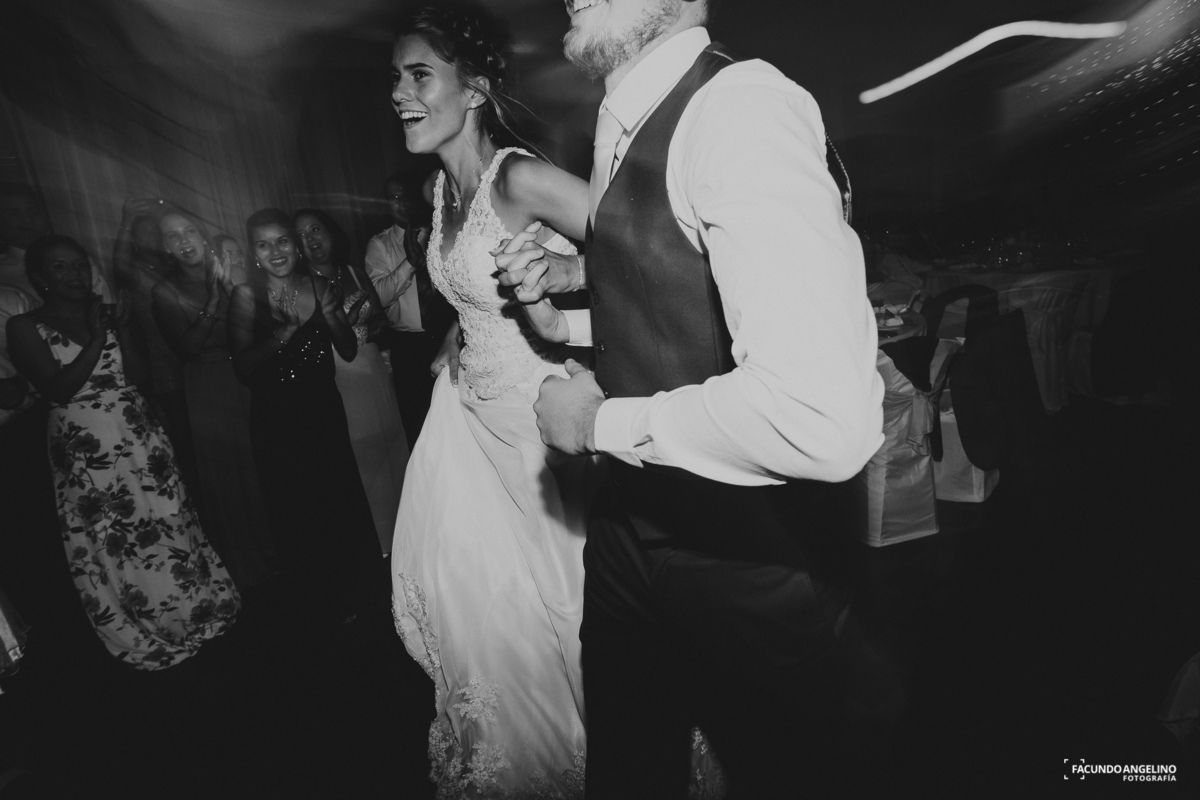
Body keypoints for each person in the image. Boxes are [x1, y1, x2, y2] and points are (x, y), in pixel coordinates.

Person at [504, 1, 888, 796]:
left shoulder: (739, 108)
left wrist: (596, 422)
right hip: (631, 524)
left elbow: (818, 417)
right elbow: (678, 297)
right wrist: (574, 313)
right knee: (628, 769)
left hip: (749, 554)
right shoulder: (623, 118)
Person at [386, 7, 596, 795]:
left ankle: (618, 754)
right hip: (471, 420)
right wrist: (460, 332)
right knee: (485, 607)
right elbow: (473, 290)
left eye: (420, 75)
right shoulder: (442, 190)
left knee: (567, 604)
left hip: (539, 424)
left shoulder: (519, 178)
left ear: (472, 90)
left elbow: (646, 246)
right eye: (395, 78)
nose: (400, 94)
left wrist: (570, 277)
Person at [6, 235, 239, 669]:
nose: (75, 274)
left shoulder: (110, 312)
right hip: (84, 441)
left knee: (167, 517)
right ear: (40, 278)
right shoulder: (24, 326)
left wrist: (124, 329)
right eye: (60, 267)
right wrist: (98, 338)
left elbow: (138, 374)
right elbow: (57, 390)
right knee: (115, 534)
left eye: (79, 264)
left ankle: (194, 606)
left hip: (135, 428)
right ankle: (147, 622)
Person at [228, 208, 386, 625]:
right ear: (254, 253)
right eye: (264, 244)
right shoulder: (245, 296)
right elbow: (243, 366)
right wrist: (283, 332)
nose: (275, 251)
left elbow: (347, 350)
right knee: (297, 512)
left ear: (296, 247)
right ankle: (321, 605)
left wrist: (333, 316)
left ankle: (360, 596)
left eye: (282, 240)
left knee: (338, 503)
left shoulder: (317, 285)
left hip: (322, 412)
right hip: (276, 420)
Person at [151, 208, 279, 590]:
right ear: (165, 247)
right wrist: (211, 301)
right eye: (173, 236)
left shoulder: (232, 272)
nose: (183, 240)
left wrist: (232, 288)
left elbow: (263, 327)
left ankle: (283, 549)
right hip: (208, 384)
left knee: (266, 462)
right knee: (230, 476)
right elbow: (187, 348)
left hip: (250, 375)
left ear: (203, 236)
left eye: (189, 231)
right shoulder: (164, 290)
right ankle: (251, 564)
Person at [294, 207, 409, 556]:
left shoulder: (354, 272)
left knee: (392, 445)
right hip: (339, 373)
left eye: (315, 229)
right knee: (364, 457)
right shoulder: (302, 285)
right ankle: (380, 543)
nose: (311, 239)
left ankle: (409, 533)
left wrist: (363, 327)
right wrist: (346, 325)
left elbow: (381, 321)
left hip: (373, 366)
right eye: (301, 235)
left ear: (330, 232)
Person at [364, 167, 453, 442]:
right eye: (392, 198)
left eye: (405, 195)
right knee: (419, 426)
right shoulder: (380, 244)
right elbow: (379, 298)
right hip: (409, 347)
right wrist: (411, 263)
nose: (400, 203)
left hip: (451, 338)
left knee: (455, 422)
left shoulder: (445, 230)